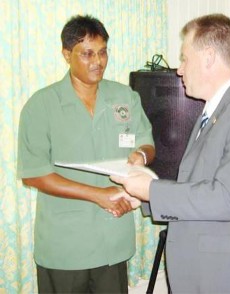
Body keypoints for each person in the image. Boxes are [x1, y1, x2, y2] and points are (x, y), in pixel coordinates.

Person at [111, 13, 230, 293]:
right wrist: (142, 198)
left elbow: (228, 198)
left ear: (209, 57)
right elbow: (198, 188)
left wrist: (152, 190)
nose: (179, 69)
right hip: (204, 274)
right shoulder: (213, 111)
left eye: (184, 58)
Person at [17, 14, 155, 293]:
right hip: (65, 246)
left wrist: (141, 155)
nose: (98, 61)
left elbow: (146, 142)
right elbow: (34, 175)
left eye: (103, 52)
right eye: (87, 54)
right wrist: (98, 195)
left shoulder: (125, 97)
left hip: (112, 242)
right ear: (67, 54)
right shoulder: (42, 105)